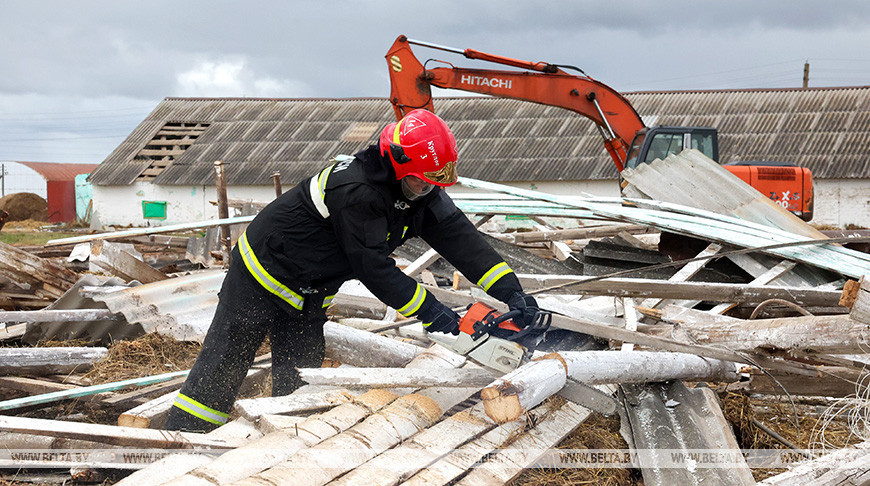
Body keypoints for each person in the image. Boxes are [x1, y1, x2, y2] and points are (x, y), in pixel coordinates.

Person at [164, 109, 540, 432]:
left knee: (301, 378)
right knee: (225, 361)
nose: (427, 191)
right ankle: (183, 442)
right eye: (420, 182)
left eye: (433, 185)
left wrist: (511, 291)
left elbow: (461, 240)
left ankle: (281, 444)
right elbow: (372, 266)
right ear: (397, 164)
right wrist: (432, 313)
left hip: (310, 288)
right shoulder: (358, 190)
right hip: (263, 274)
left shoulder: (421, 190)